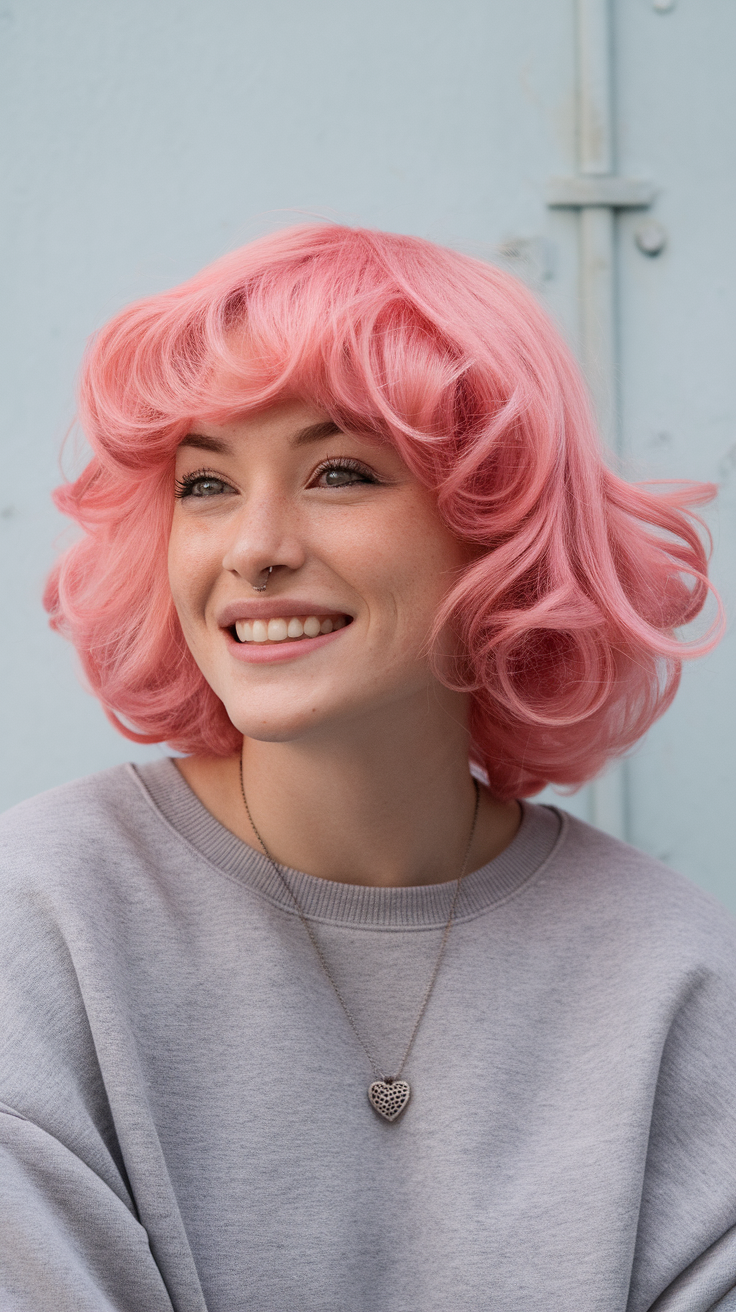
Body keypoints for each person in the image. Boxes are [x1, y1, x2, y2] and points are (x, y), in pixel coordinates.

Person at [1, 223, 734, 1312]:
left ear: (499, 530)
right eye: (204, 485)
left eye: (338, 471)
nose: (253, 547)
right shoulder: (43, 918)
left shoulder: (678, 976)